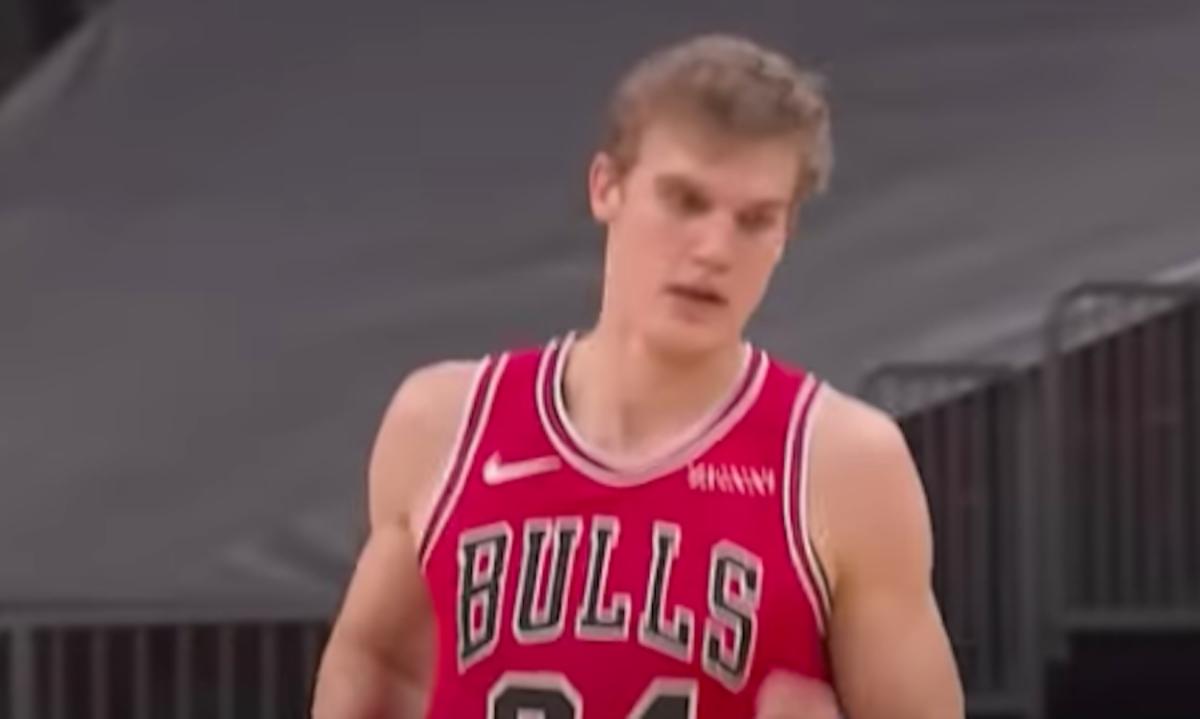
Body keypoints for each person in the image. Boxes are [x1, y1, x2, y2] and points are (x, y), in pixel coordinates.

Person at [312, 33, 963, 718]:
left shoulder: (843, 463)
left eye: (754, 220)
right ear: (606, 187)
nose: (714, 249)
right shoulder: (444, 423)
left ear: (785, 233)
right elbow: (378, 662)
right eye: (685, 201)